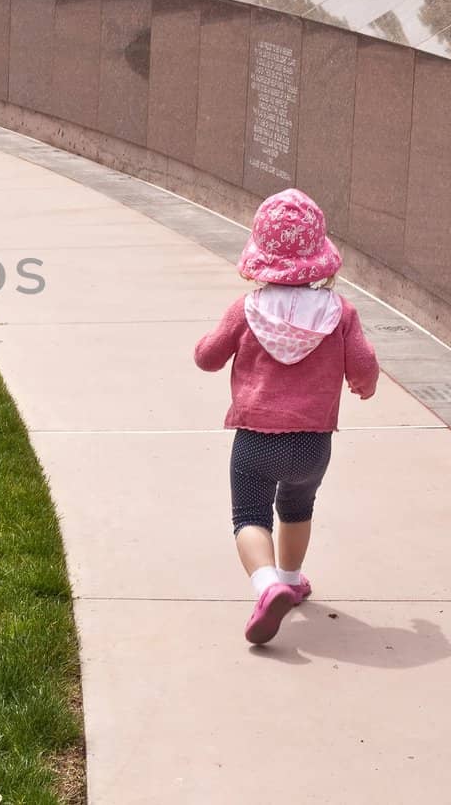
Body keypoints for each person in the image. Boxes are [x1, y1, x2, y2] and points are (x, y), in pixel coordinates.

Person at [193, 189, 379, 645]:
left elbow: (208, 357)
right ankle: (292, 579)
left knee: (250, 516)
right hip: (312, 443)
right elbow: (365, 366)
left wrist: (210, 348)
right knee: (297, 508)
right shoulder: (341, 314)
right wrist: (363, 385)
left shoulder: (247, 309)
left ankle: (267, 584)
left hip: (256, 439)